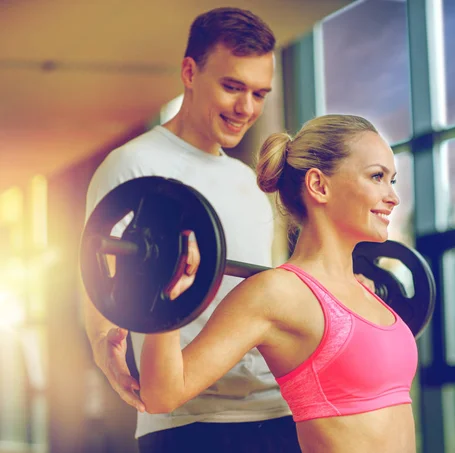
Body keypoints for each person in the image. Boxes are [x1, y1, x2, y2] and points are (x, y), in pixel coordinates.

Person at [83, 7, 303, 452]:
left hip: (275, 413)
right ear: (189, 72)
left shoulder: (247, 182)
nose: (247, 108)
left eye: (260, 94)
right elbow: (96, 276)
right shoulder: (134, 165)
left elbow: (270, 293)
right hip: (186, 419)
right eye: (232, 87)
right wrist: (103, 342)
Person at [139, 114, 419, 453]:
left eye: (392, 180)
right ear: (319, 185)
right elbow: (162, 394)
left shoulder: (365, 291)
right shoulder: (276, 294)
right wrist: (163, 290)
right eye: (377, 177)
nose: (393, 197)